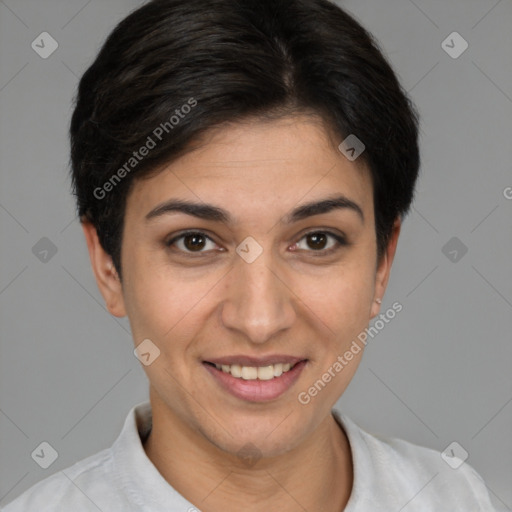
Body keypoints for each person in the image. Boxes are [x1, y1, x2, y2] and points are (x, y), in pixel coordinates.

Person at [2, 0, 496, 510]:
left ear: (381, 263)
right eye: (194, 242)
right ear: (108, 266)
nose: (259, 321)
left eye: (316, 240)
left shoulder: (458, 498)